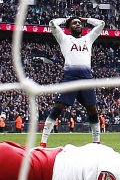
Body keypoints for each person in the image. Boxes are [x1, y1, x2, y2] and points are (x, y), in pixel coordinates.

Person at [40, 16, 105, 147]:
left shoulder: (88, 38)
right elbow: (52, 22)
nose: (78, 24)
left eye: (79, 23)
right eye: (74, 23)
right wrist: (65, 20)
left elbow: (101, 24)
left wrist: (86, 19)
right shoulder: (64, 38)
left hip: (87, 78)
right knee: (58, 108)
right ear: (69, 27)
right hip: (70, 77)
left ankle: (97, 142)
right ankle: (43, 142)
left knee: (92, 109)